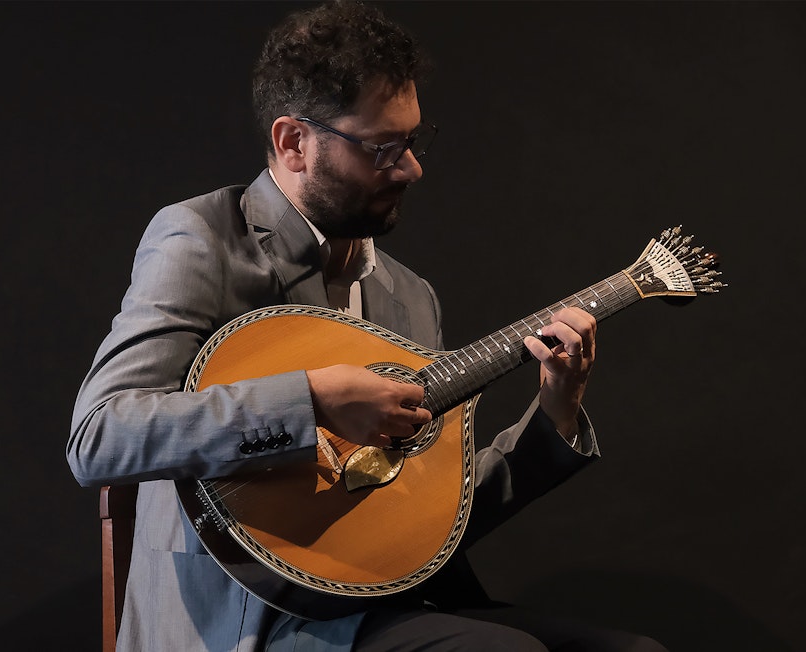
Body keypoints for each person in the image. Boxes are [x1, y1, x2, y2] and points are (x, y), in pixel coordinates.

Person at [68, 2, 666, 650]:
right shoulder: (205, 240)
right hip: (240, 625)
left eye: (413, 141)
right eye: (383, 147)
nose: (411, 168)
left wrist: (553, 415)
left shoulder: (407, 296)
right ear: (293, 142)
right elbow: (100, 436)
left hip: (372, 608)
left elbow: (422, 526)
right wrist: (314, 399)